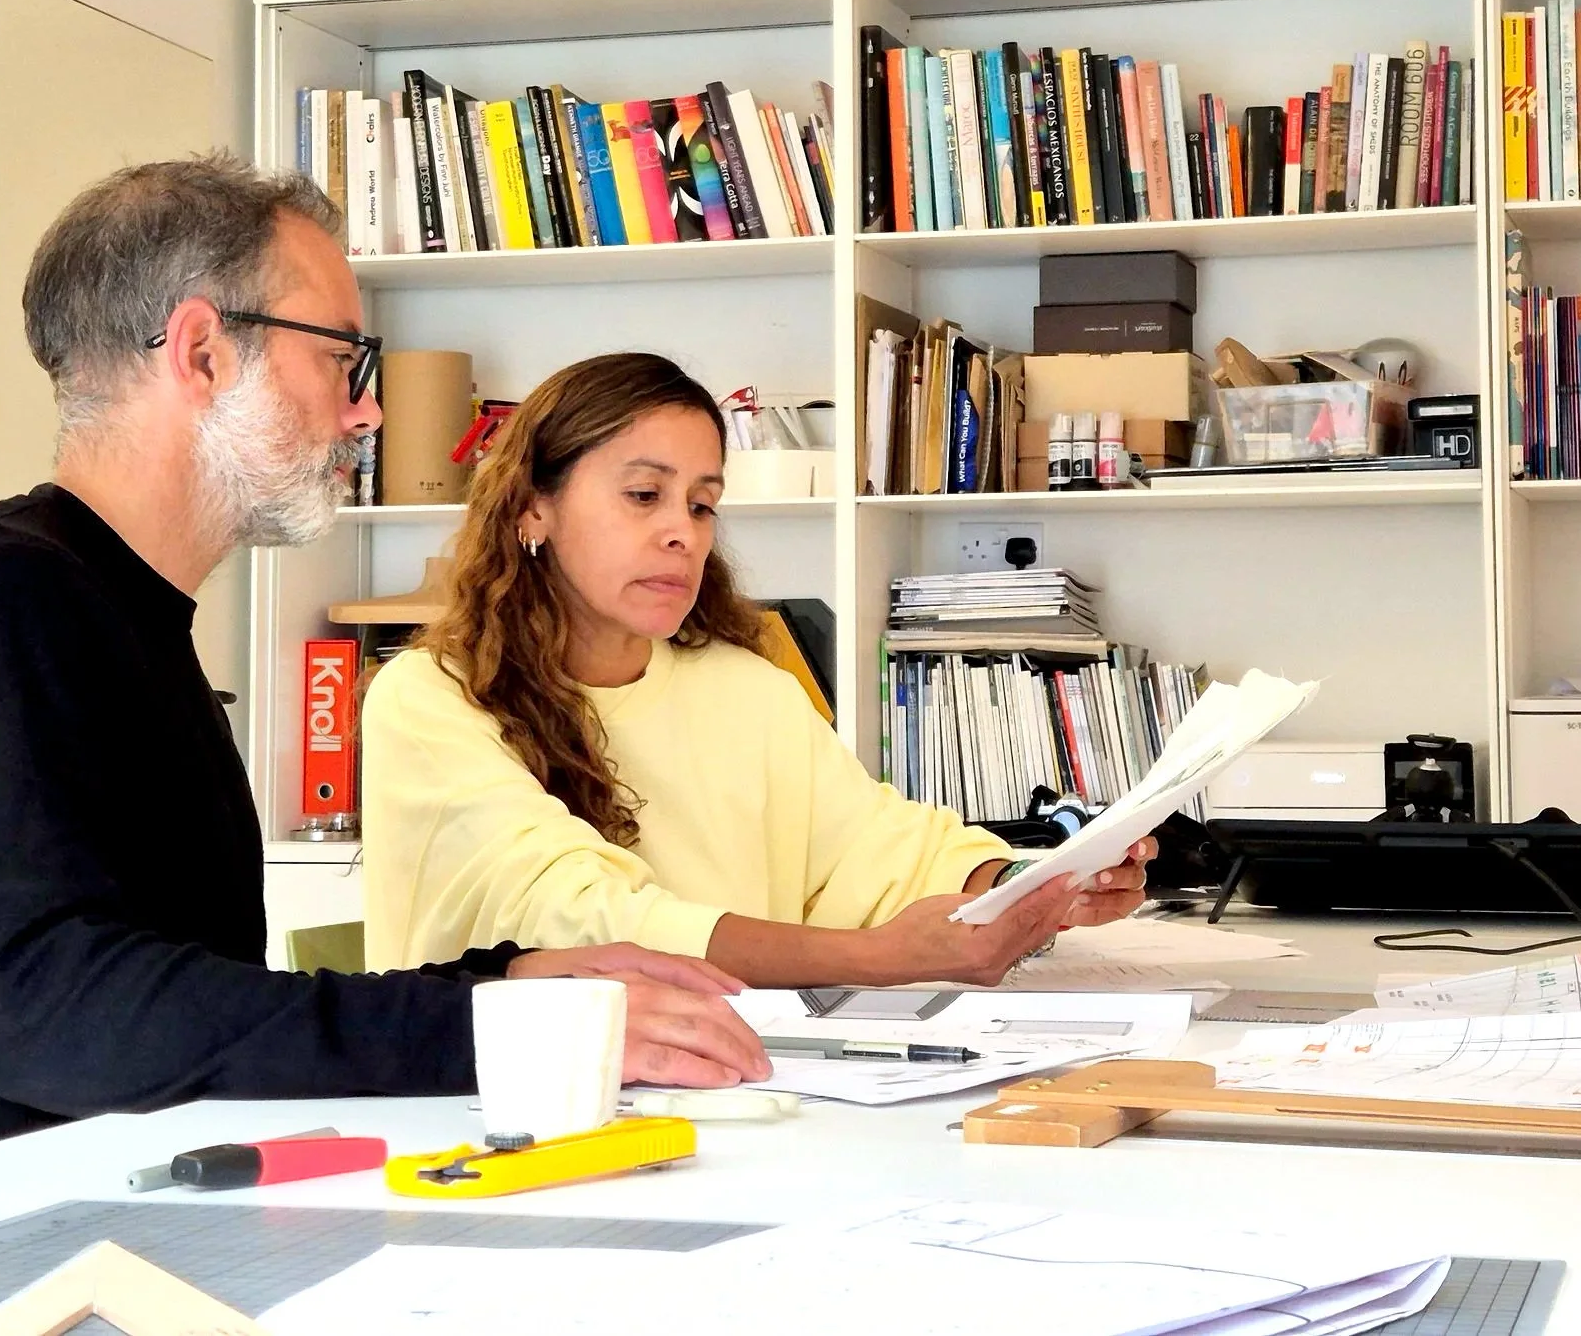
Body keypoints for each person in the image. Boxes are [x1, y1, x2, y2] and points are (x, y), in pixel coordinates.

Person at [0, 160, 765, 1184]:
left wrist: (507, 978)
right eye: (344, 360)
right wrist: (480, 1022)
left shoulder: (108, 617)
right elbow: (59, 1019)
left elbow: (191, 1005)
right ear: (203, 351)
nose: (368, 415)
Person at [361, 351, 1154, 987]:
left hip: (726, 1093)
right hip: (499, 1112)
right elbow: (585, 917)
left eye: (702, 504)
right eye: (644, 494)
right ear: (535, 505)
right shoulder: (431, 698)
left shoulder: (747, 690)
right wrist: (882, 959)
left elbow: (877, 850)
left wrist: (1033, 883)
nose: (683, 531)